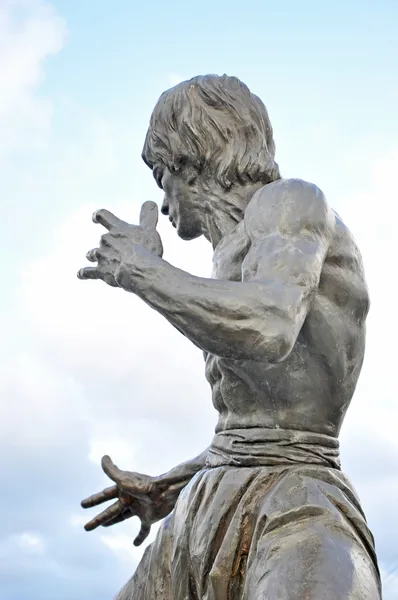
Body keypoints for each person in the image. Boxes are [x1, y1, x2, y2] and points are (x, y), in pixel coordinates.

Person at [78, 75, 381, 599]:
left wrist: (142, 272)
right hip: (210, 499)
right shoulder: (228, 257)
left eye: (161, 175)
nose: (164, 201)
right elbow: (252, 426)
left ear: (190, 161)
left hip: (296, 501)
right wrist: (166, 487)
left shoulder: (290, 202)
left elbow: (271, 326)